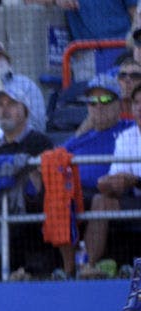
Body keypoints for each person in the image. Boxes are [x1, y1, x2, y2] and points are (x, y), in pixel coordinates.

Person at [0, 82, 54, 279]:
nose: (4, 110)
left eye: (11, 104)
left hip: (28, 219)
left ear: (25, 110)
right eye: (0, 105)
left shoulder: (39, 143)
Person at [57, 73, 133, 276]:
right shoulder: (80, 137)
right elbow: (55, 159)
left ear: (119, 104)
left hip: (119, 193)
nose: (98, 105)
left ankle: (86, 267)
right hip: (77, 193)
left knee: (100, 200)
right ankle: (68, 270)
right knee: (58, 196)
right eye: (92, 101)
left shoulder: (129, 130)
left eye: (106, 99)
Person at [91, 80, 141, 273]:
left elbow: (132, 179)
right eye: (137, 103)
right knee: (100, 200)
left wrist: (135, 180)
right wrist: (108, 184)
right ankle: (89, 266)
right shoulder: (126, 137)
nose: (140, 107)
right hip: (133, 201)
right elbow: (118, 177)